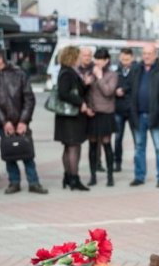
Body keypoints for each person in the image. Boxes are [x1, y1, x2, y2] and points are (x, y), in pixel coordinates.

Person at [0, 48, 48, 195]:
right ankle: (14, 182)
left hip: (21, 121)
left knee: (27, 152)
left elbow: (29, 98)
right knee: (9, 153)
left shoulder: (19, 74)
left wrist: (23, 121)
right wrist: (4, 122)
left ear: (0, 59)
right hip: (3, 123)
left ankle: (34, 182)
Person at [129, 43, 159, 187]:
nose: (146, 56)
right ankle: (139, 176)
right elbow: (129, 89)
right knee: (139, 147)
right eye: (144, 53)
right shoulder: (135, 69)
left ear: (155, 54)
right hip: (138, 115)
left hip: (156, 116)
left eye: (149, 53)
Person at [54, 45, 91, 191]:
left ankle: (68, 177)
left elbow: (76, 90)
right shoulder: (67, 72)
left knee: (68, 147)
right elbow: (63, 93)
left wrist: (85, 84)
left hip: (68, 117)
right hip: (70, 117)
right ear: (72, 57)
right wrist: (80, 102)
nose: (80, 58)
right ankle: (74, 179)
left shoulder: (68, 71)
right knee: (74, 147)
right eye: (78, 55)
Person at [86, 48, 118, 187]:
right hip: (93, 113)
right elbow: (86, 92)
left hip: (106, 113)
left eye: (101, 59)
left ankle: (110, 176)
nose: (98, 62)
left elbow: (108, 92)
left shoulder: (112, 75)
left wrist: (99, 77)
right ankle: (92, 176)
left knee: (106, 144)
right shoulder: (91, 73)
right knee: (92, 145)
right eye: (96, 59)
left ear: (107, 60)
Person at [113, 48, 137, 173]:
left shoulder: (137, 70)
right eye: (122, 59)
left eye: (127, 59)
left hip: (133, 110)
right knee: (117, 138)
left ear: (132, 58)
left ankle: (138, 161)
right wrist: (116, 90)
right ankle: (117, 162)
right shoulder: (116, 71)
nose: (124, 61)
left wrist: (124, 89)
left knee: (137, 138)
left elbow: (136, 85)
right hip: (119, 109)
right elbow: (112, 85)